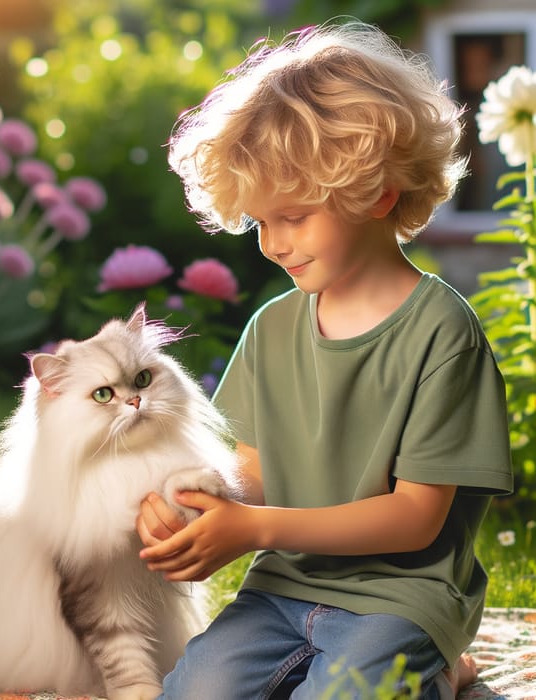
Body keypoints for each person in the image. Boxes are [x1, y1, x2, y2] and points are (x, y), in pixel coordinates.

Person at [136, 19, 514, 700]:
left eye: (294, 216)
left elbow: (415, 518)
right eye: (259, 222)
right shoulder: (273, 326)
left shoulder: (442, 332)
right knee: (193, 693)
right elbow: (253, 471)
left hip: (404, 595)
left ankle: (438, 672)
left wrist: (256, 528)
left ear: (379, 192)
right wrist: (195, 510)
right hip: (283, 586)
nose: (273, 244)